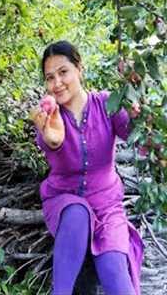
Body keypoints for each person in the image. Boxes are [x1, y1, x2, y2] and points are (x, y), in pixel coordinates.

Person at [30, 40, 144, 295]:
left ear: (79, 68)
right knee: (77, 211)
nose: (57, 83)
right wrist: (52, 139)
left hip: (107, 206)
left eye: (63, 72)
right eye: (50, 77)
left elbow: (133, 134)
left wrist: (138, 112)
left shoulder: (106, 104)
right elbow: (53, 147)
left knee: (116, 275)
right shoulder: (49, 118)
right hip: (63, 200)